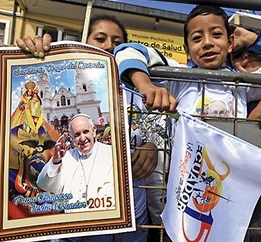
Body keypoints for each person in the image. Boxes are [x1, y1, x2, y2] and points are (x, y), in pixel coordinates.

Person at [114, 4, 261, 241]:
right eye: (197, 38)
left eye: (217, 35)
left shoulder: (241, 82)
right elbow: (127, 50)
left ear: (230, 43)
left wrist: (255, 40)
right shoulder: (178, 76)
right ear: (187, 49)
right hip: (190, 184)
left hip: (230, 186)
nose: (207, 42)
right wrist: (146, 84)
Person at [17, 14, 160, 242]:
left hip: (129, 218)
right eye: (100, 38)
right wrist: (26, 58)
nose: (109, 46)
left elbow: (154, 131)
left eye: (117, 42)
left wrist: (152, 146)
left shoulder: (135, 91)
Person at [37, 113, 115, 212]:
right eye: (77, 135)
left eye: (85, 132)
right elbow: (44, 184)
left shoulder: (111, 153)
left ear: (94, 131)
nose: (82, 139)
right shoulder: (67, 156)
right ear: (72, 138)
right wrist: (56, 161)